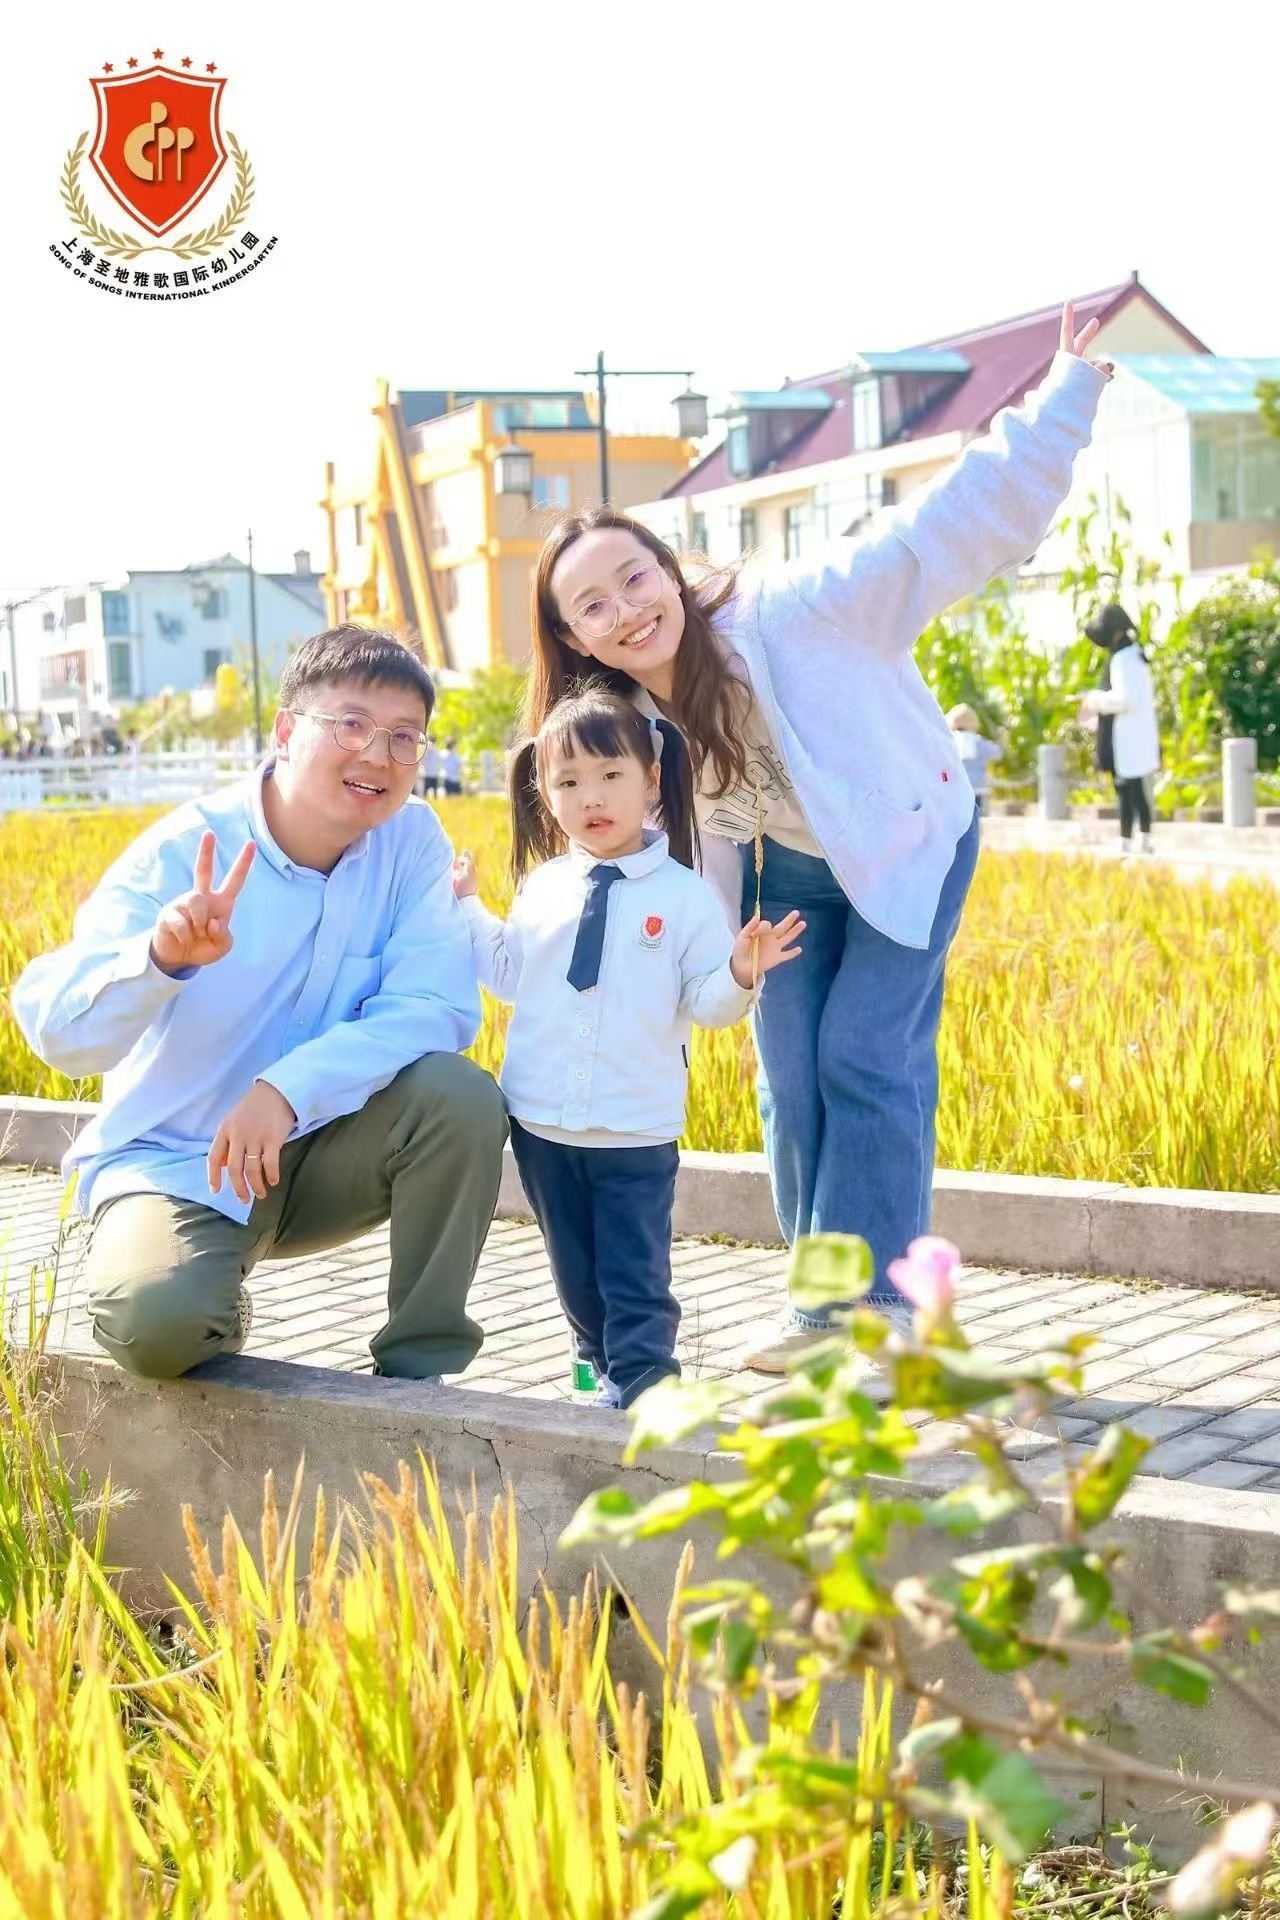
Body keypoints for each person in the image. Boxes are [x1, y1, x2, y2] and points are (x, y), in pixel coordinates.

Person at [521, 303, 1114, 1369]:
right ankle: (818, 1315)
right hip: (782, 875)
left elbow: (948, 527)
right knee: (788, 1074)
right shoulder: (625, 726)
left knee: (862, 1055)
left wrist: (1063, 391)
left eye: (634, 579)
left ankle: (881, 1318)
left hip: (905, 845)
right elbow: (611, 847)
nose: (624, 611)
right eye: (591, 606)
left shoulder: (796, 611)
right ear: (571, 636)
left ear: (668, 568)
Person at [12, 625, 507, 1382]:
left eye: (405, 738)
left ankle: (419, 1371)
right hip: (180, 1161)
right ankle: (207, 1293)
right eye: (351, 725)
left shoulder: (412, 840)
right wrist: (159, 959)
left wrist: (286, 1089)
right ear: (285, 731)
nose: (378, 756)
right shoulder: (185, 850)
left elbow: (434, 1006)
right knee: (157, 1328)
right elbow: (56, 1031)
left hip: (322, 1151)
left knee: (461, 1096)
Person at [451, 685, 803, 1408]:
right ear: (544, 795)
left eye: (612, 775)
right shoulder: (543, 885)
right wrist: (466, 909)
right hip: (542, 1120)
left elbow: (707, 1005)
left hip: (635, 1125)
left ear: (650, 779)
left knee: (633, 1272)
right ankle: (596, 1377)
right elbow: (512, 976)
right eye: (568, 782)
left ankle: (647, 1388)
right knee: (574, 1273)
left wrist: (740, 972)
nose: (592, 797)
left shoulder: (683, 896)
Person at [1079, 603, 1160, 855]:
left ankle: (1127, 840)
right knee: (1137, 789)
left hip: (1127, 736)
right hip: (1137, 733)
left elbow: (1125, 699)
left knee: (1126, 789)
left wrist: (1094, 699)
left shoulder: (1124, 659)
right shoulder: (1136, 654)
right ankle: (1143, 838)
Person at [946, 704, 1003, 812]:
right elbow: (997, 753)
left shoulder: (950, 741)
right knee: (974, 819)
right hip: (976, 789)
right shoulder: (978, 741)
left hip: (956, 788)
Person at [419, 732, 441, 798]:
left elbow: (422, 759)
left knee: (425, 793)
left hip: (427, 773)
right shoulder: (436, 749)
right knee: (435, 793)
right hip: (434, 773)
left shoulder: (426, 748)